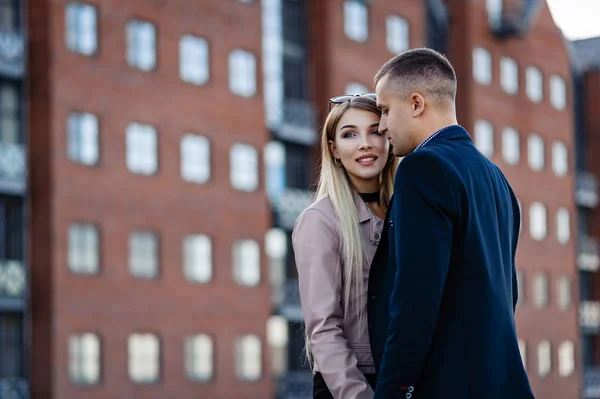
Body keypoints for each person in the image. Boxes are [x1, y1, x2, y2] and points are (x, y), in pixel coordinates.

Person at [367, 48, 535, 399]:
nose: (381, 127)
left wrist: (393, 391)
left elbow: (415, 298)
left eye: (384, 110)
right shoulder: (496, 177)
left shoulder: (422, 169)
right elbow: (508, 293)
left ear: (416, 104)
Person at [292, 94, 398, 399]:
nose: (365, 143)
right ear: (334, 149)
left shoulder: (406, 213)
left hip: (401, 379)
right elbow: (323, 328)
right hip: (348, 385)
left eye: (375, 131)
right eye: (349, 134)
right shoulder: (320, 221)